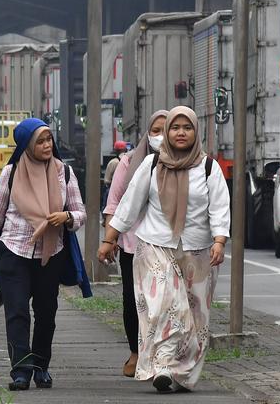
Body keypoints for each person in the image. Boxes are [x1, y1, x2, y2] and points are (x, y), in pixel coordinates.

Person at [98, 106, 230, 393]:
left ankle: (182, 374)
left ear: (196, 132)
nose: (180, 133)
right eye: (175, 127)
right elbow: (129, 205)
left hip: (198, 249)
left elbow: (220, 209)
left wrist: (219, 241)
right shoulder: (151, 164)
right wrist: (110, 239)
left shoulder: (208, 167)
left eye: (187, 127)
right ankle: (163, 366)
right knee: (169, 307)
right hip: (155, 245)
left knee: (197, 318)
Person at [0, 118, 86, 391]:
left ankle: (41, 367)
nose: (46, 145)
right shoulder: (10, 173)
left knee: (47, 313)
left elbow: (81, 213)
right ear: (26, 145)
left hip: (50, 253)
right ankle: (21, 370)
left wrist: (67, 216)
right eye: (40, 141)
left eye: (48, 140)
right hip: (13, 250)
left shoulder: (63, 173)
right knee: (17, 312)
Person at [100, 112, 167, 378]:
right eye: (156, 129)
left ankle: (162, 356)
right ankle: (136, 352)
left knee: (164, 304)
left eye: (167, 128)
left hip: (167, 246)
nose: (161, 135)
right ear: (147, 132)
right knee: (133, 301)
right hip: (132, 245)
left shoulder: (188, 164)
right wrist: (110, 237)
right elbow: (114, 204)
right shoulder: (129, 163)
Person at [101, 140, 130, 210]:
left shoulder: (113, 162)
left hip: (113, 192)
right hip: (127, 191)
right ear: (126, 150)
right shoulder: (130, 161)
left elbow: (106, 181)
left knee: (108, 209)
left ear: (116, 151)